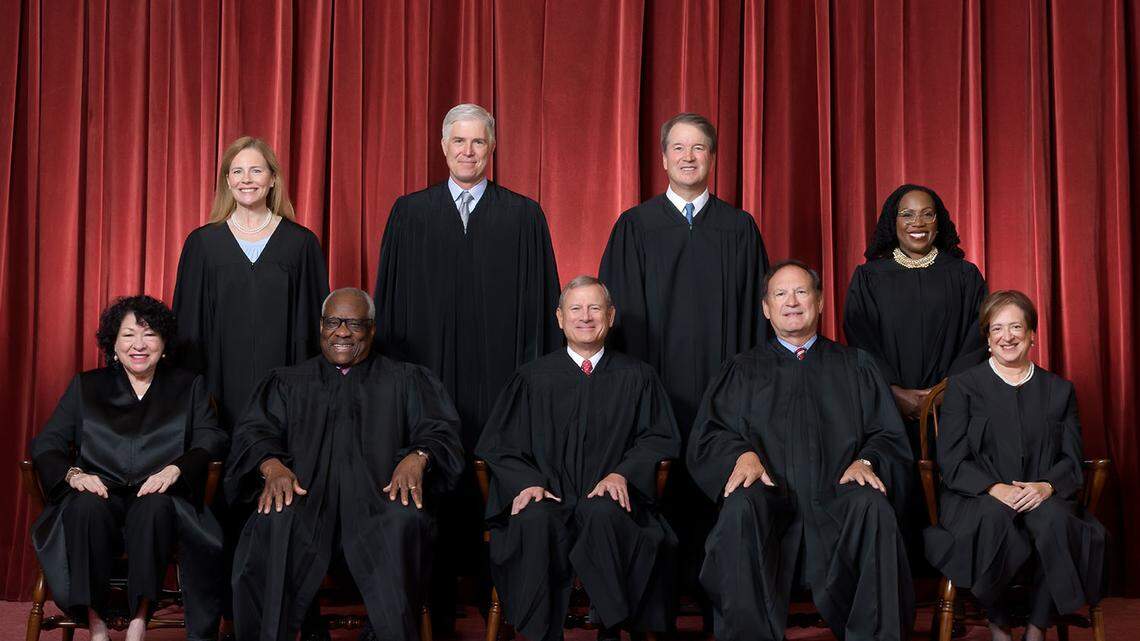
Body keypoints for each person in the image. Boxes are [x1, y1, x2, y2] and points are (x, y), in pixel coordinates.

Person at [373, 103, 561, 628]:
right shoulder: (409, 213)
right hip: (426, 380)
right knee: (429, 478)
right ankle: (429, 597)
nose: (468, 151)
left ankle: (495, 592)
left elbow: (546, 307)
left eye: (478, 142)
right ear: (442, 146)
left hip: (501, 382)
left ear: (492, 148)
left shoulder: (524, 216)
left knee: (496, 476)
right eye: (458, 141)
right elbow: (386, 307)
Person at [598, 113, 769, 620]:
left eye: (699, 149)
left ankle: (724, 604)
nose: (689, 157)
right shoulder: (634, 226)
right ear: (663, 157)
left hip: (724, 393)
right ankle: (655, 608)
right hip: (657, 388)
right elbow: (616, 321)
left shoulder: (738, 228)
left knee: (725, 489)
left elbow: (759, 318)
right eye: (679, 148)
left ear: (713, 158)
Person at [688, 261, 914, 641]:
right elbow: (710, 434)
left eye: (802, 292)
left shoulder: (855, 365)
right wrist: (740, 455)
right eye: (780, 294)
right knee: (741, 506)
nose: (792, 302)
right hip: (770, 499)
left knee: (872, 506)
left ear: (821, 302)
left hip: (838, 496)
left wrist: (866, 460)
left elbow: (887, 434)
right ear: (766, 308)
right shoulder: (742, 369)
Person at [225, 288, 465, 641]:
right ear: (321, 326)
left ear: (371, 330)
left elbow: (441, 431)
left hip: (380, 503)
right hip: (305, 502)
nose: (342, 332)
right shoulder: (288, 382)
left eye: (354, 323)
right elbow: (253, 432)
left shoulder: (406, 379)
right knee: (274, 520)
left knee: (405, 521)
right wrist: (271, 465)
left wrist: (419, 456)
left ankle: (385, 634)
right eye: (333, 322)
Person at [172, 136, 329, 637]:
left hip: (282, 401)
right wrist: (196, 402)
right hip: (219, 394)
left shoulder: (301, 243)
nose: (246, 179)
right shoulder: (203, 242)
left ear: (273, 179)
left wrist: (306, 402)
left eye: (256, 171)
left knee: (279, 498)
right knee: (218, 501)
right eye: (237, 171)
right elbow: (187, 329)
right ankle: (220, 611)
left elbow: (313, 330)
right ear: (226, 181)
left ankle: (277, 613)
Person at [476, 276, 681, 641]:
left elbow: (660, 437)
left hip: (612, 502)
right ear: (559, 317)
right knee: (535, 520)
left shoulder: (638, 377)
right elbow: (498, 445)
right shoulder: (531, 378)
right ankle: (542, 634)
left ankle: (611, 627)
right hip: (549, 496)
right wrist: (528, 483)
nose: (585, 316)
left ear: (611, 315)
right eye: (575, 308)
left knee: (603, 513)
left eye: (595, 308)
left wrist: (624, 474)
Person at [30, 295, 229, 641]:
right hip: (100, 493)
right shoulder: (86, 387)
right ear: (113, 343)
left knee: (154, 508)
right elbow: (46, 445)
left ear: (164, 343)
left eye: (149, 335)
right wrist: (75, 475)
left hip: (158, 494)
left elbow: (212, 438)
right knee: (84, 509)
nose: (139, 345)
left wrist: (177, 469)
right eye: (128, 336)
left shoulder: (187, 386)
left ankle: (139, 621)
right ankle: (96, 624)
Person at [924, 291, 1106, 641]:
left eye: (1016, 327)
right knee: (994, 517)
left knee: (1053, 521)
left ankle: (1036, 627)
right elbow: (950, 459)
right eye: (997, 329)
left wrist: (1045, 487)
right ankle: (999, 623)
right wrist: (995, 488)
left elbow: (1071, 458)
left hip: (1043, 495)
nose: (1007, 337)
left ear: (1032, 335)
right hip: (976, 497)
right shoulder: (964, 387)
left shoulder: (1059, 390)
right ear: (988, 338)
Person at [844, 183, 987, 435]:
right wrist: (893, 391)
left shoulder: (965, 275)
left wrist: (946, 390)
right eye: (907, 214)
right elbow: (861, 339)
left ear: (938, 221)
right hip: (887, 407)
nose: (917, 223)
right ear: (893, 221)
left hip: (954, 406)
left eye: (927, 214)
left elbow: (978, 335)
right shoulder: (869, 277)